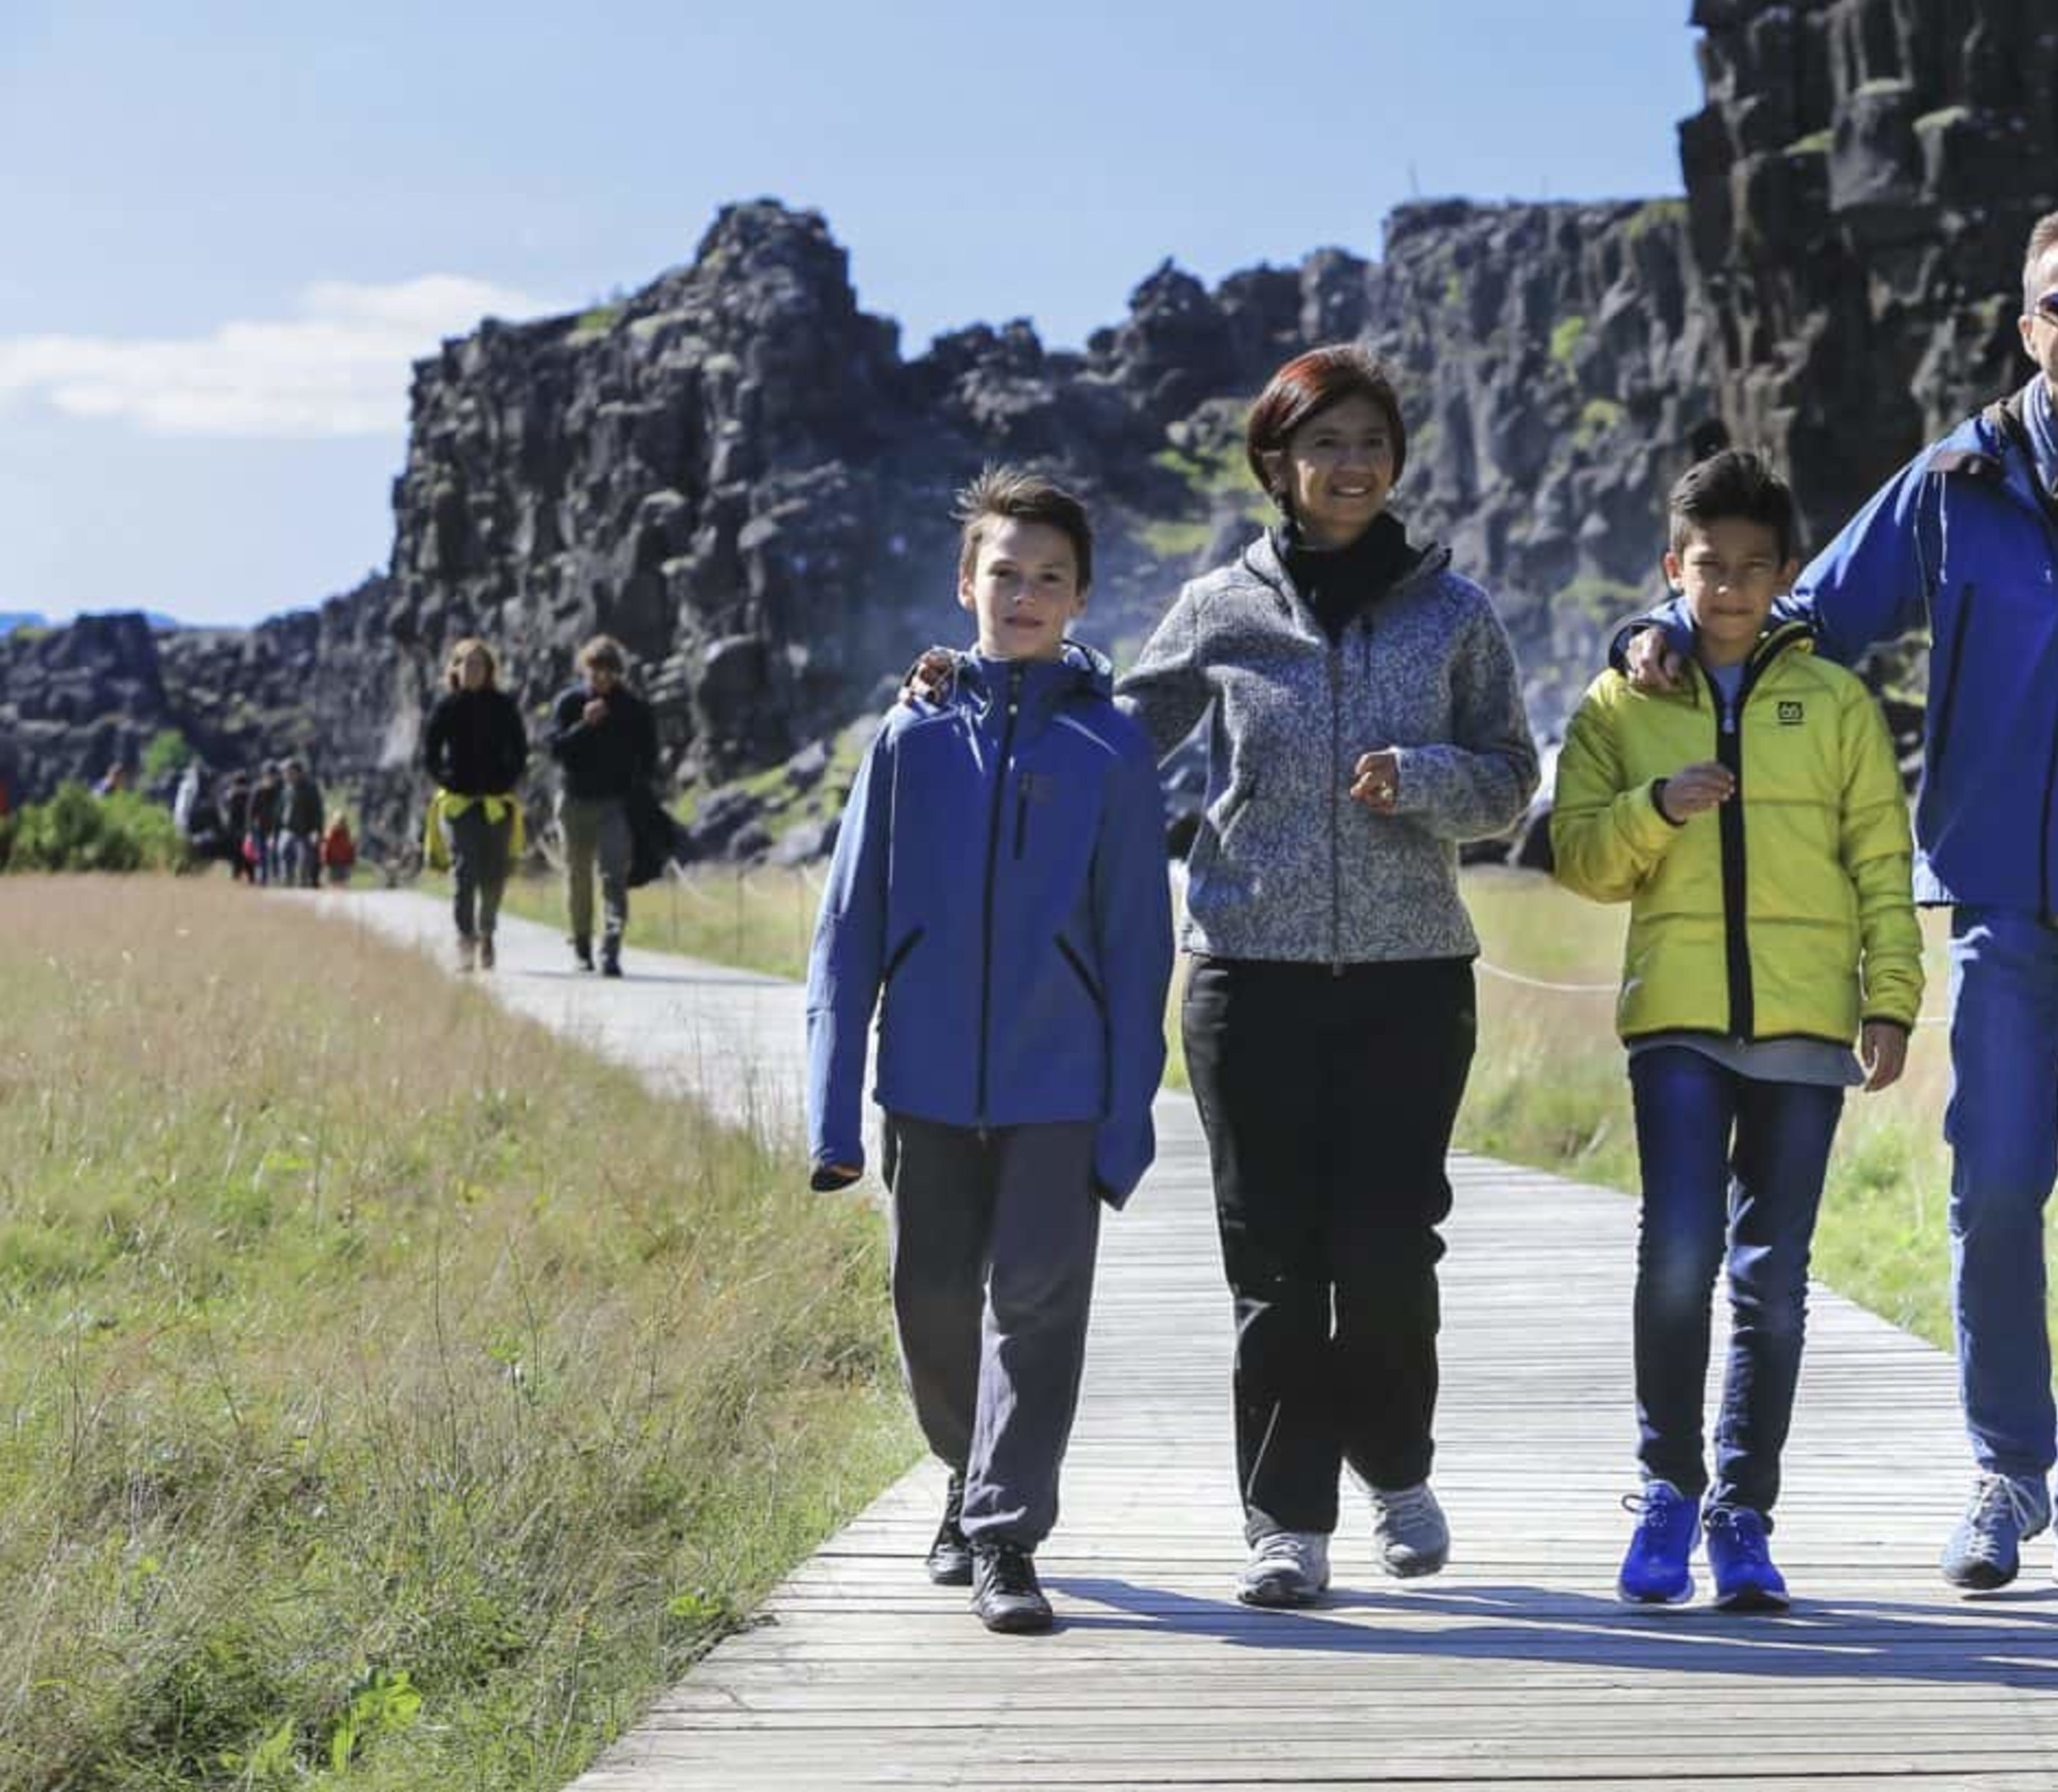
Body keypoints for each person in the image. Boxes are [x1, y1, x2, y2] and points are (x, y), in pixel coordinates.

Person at [1619, 203, 2058, 1599]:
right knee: (1999, 1186)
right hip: (2003, 888)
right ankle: (2004, 1474)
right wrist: (1657, 632)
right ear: (2026, 329)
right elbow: (1804, 608)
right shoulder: (1954, 481)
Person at [1124, 346, 1539, 1607]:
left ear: (1394, 458)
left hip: (1413, 980)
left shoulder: (1455, 615)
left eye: (1369, 440)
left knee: (1389, 1252)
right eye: (1324, 443)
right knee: (1276, 1263)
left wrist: (1422, 779)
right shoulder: (1219, 609)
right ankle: (1285, 1520)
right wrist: (979, 686)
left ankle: (1398, 1471)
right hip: (1249, 980)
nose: (1349, 464)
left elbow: (1514, 777)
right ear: (1278, 464)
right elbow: (1111, 731)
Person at [1553, 449, 1922, 1611]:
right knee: (1679, 1253)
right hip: (1677, 1024)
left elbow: (1879, 854)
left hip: (1809, 1026)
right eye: (1708, 566)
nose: (1729, 587)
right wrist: (1655, 809)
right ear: (1674, 567)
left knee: (1773, 1279)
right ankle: (1667, 1488)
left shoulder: (1839, 703)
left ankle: (1744, 1515)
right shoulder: (1626, 698)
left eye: (1753, 567)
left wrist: (1891, 997)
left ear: (1787, 574)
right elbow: (1578, 857)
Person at [807, 469, 1173, 1635]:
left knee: (1038, 1304)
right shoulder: (907, 740)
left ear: (1078, 601)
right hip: (921, 1085)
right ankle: (965, 1479)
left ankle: (1008, 1533)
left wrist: (1127, 1116)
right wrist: (829, 1116)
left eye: (1048, 578)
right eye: (1003, 572)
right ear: (966, 583)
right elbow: (847, 927)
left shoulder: (1112, 748)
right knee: (928, 1298)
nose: (1022, 594)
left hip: (1057, 1088)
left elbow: (1137, 947)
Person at [549, 635, 659, 977]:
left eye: (609, 671)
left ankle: (611, 949)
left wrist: (635, 789)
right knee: (578, 878)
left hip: (614, 804)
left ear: (618, 672)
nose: (601, 678)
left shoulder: (633, 709)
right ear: (585, 669)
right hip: (574, 803)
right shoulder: (569, 702)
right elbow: (555, 750)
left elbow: (650, 756)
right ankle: (582, 948)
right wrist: (585, 725)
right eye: (595, 671)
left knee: (614, 877)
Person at [421, 638, 530, 972]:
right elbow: (430, 752)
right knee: (465, 869)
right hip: (458, 804)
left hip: (497, 802)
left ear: (489, 670)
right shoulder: (446, 707)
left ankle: (488, 933)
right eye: (466, 664)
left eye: (479, 665)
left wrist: (507, 780)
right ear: (455, 669)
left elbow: (520, 749)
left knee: (495, 874)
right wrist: (446, 780)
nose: (473, 670)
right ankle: (465, 939)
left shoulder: (504, 706)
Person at [277, 759, 326, 889]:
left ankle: (302, 886)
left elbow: (318, 811)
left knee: (303, 860)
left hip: (305, 831)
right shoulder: (287, 788)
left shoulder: (310, 788)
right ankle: (287, 882)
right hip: (287, 830)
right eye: (285, 772)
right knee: (283, 853)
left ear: (298, 772)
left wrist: (317, 830)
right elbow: (282, 809)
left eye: (288, 772)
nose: (285, 775)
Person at [245, 764, 283, 887]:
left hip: (276, 827)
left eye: (274, 775)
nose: (272, 778)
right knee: (261, 855)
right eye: (269, 775)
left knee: (275, 853)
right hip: (260, 828)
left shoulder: (281, 790)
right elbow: (251, 812)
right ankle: (262, 879)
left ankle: (276, 878)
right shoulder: (258, 790)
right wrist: (250, 831)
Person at [217, 774, 256, 881]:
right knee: (236, 852)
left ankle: (250, 875)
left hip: (246, 828)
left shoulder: (250, 796)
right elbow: (225, 809)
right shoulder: (231, 795)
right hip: (235, 828)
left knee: (248, 852)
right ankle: (237, 873)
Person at [320, 810, 358, 886]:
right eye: (338, 822)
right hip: (332, 865)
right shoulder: (330, 834)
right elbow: (325, 849)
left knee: (343, 885)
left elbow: (351, 848)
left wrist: (352, 860)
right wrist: (325, 861)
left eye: (342, 822)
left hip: (344, 865)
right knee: (332, 885)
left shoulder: (347, 834)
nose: (340, 824)